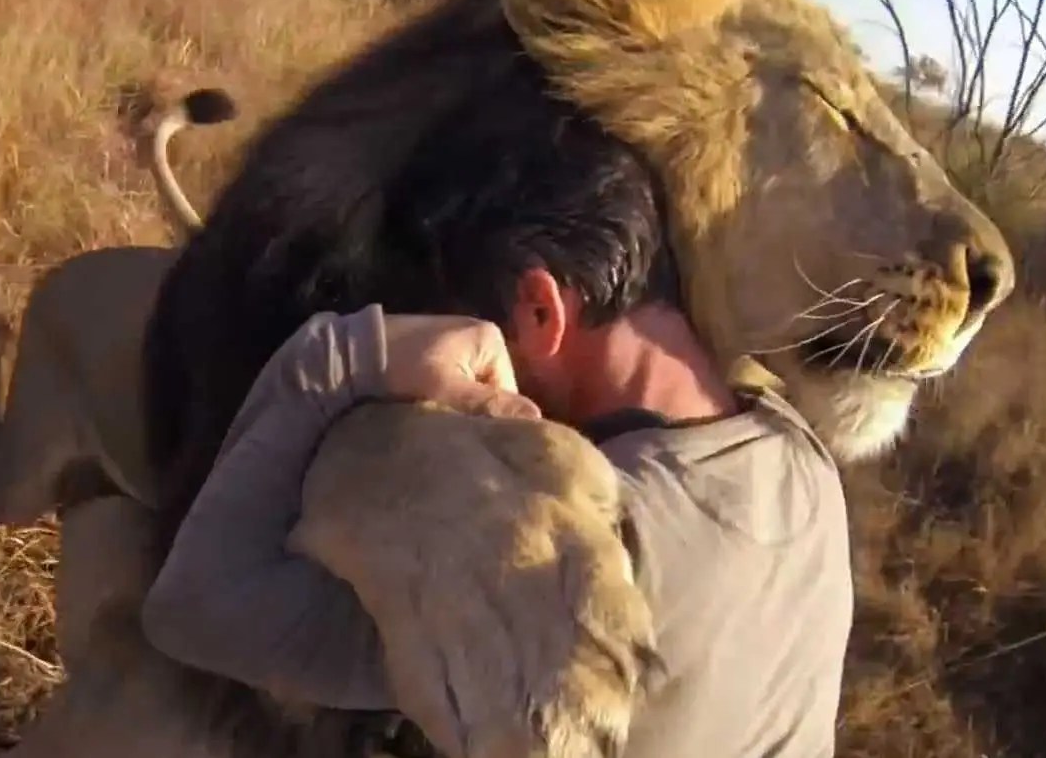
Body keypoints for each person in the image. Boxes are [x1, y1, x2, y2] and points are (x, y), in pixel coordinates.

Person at [140, 95, 855, 757]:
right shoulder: (804, 459)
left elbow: (194, 608)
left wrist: (347, 355)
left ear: (538, 310)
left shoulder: (556, 566)